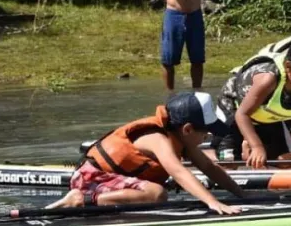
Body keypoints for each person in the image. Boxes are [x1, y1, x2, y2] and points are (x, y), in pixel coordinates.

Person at [48, 92, 246, 215]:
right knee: (157, 194)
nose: (207, 138)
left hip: (115, 181)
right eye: (206, 133)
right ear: (187, 129)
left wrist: (241, 194)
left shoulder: (181, 137)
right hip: (93, 180)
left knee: (156, 192)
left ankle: (91, 198)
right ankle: (82, 200)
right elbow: (178, 172)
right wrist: (213, 202)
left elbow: (209, 167)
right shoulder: (157, 138)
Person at [212, 38, 291, 168]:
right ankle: (246, 145)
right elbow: (242, 115)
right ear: (288, 66)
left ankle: (249, 147)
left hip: (265, 114)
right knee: (228, 163)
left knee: (287, 161)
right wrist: (257, 146)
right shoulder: (268, 79)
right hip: (234, 108)